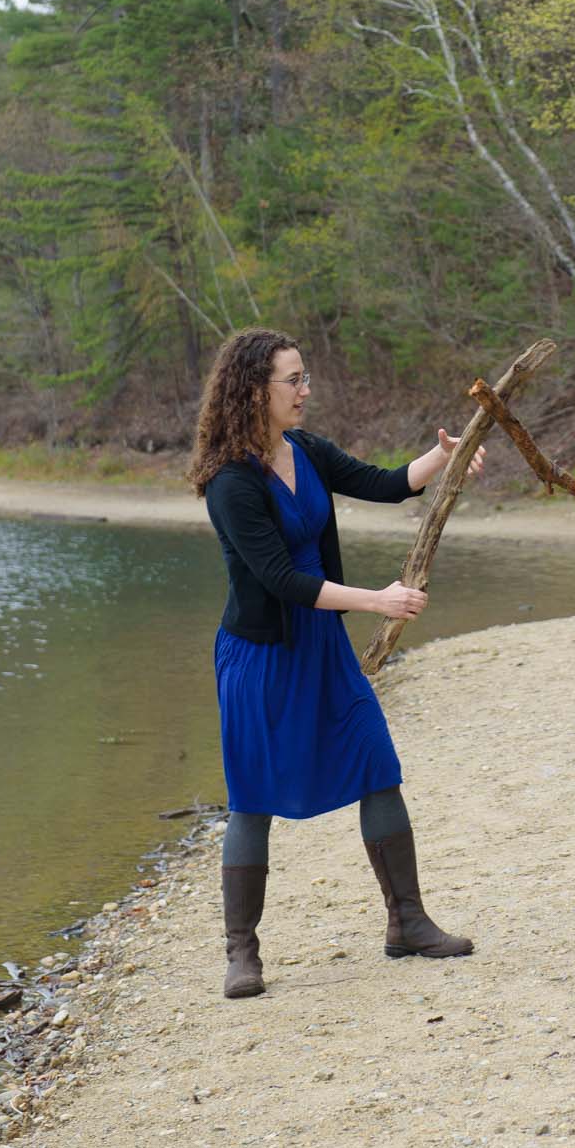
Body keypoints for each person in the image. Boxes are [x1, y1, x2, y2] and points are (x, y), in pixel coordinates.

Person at [188, 326, 481, 999]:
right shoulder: (230, 482)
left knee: (376, 766)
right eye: (293, 380)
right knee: (252, 798)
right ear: (253, 389)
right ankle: (242, 953)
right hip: (262, 656)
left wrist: (443, 459)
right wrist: (377, 601)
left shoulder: (307, 452)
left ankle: (406, 923)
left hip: (322, 647)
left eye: (304, 377)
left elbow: (386, 484)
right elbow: (279, 579)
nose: (304, 390)